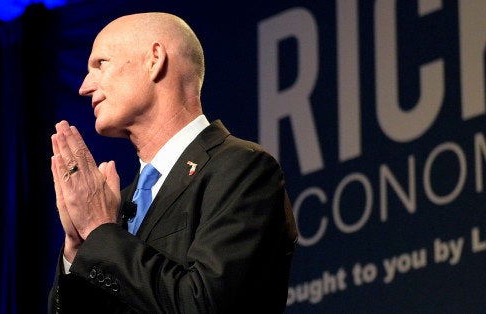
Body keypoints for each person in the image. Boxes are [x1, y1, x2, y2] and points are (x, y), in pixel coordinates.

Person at [47, 12, 298, 313]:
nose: (84, 86)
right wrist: (77, 248)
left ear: (155, 59)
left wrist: (101, 232)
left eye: (100, 63)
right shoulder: (117, 206)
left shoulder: (241, 169)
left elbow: (206, 305)